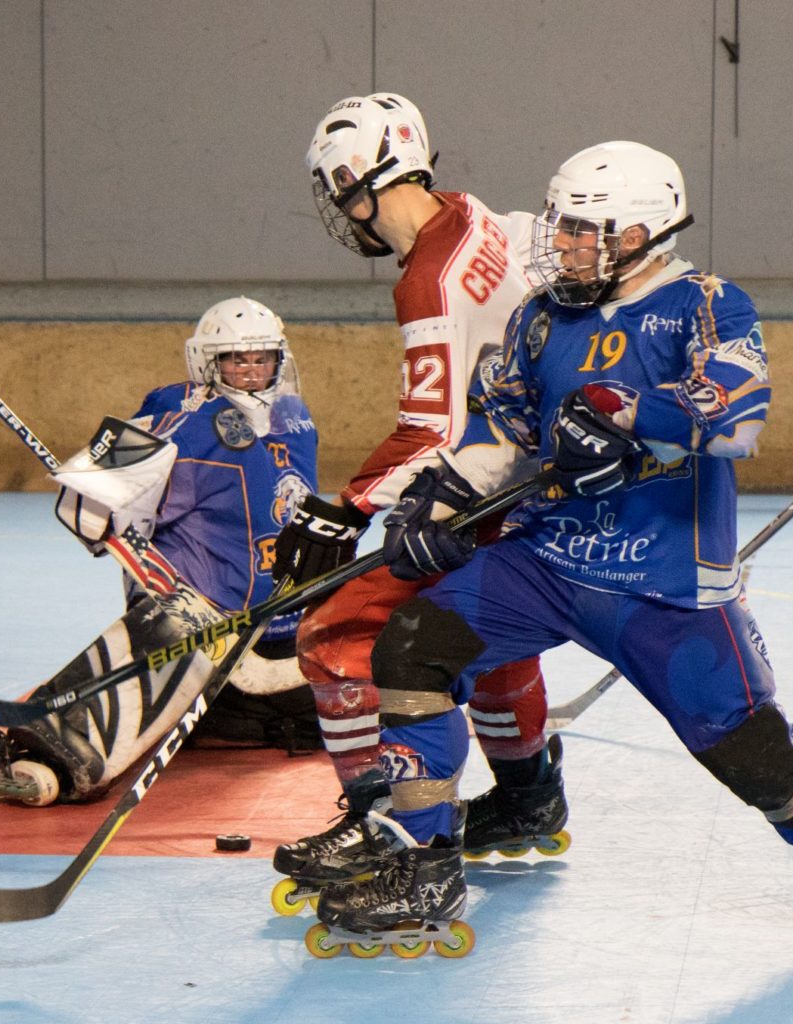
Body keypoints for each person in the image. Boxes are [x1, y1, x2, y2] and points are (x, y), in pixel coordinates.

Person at [302, 139, 793, 956]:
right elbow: (503, 430)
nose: (559, 245)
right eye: (560, 227)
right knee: (413, 645)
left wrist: (628, 414)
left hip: (664, 586)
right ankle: (424, 863)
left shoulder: (706, 304)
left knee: (757, 759)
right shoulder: (542, 316)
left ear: (636, 236)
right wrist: (441, 498)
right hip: (548, 560)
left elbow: (737, 417)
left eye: (579, 231)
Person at [269, 92, 568, 913]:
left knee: (335, 631)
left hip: (486, 489)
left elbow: (429, 429)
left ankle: (379, 826)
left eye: (338, 192)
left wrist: (345, 507)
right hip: (539, 489)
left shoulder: (428, 279)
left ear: (353, 184)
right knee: (487, 637)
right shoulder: (478, 216)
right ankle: (528, 795)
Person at [0, 296, 323, 806]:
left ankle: (212, 714)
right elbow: (85, 508)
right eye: (236, 359)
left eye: (262, 358)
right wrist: (101, 502)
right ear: (208, 362)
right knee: (171, 638)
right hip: (202, 615)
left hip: (277, 628)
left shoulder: (296, 418)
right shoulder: (185, 417)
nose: (251, 370)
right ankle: (54, 744)